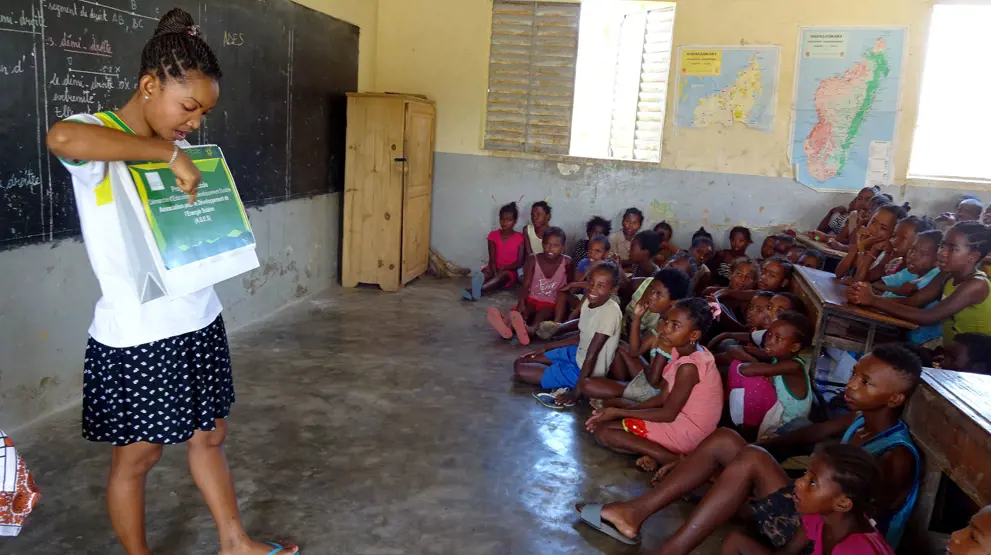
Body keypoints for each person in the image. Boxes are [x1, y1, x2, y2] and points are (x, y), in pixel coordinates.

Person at [45, 9, 298, 555]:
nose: (195, 122)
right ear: (148, 85)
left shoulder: (188, 150)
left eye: (204, 112)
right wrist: (167, 152)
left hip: (198, 317)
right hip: (137, 336)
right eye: (189, 107)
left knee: (210, 435)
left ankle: (235, 542)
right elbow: (62, 137)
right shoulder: (103, 140)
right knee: (138, 457)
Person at [575, 344, 922, 552]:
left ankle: (670, 547)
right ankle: (635, 512)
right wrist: (738, 458)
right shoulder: (859, 421)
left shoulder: (897, 456)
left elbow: (854, 520)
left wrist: (745, 470)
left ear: (894, 398)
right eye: (855, 374)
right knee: (730, 442)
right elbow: (798, 438)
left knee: (746, 463)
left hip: (824, 541)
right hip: (815, 515)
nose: (851, 385)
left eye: (864, 381)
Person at [584, 298, 724, 472]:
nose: (665, 328)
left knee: (603, 432)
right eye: (666, 321)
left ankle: (672, 459)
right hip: (680, 421)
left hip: (688, 433)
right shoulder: (683, 352)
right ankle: (655, 453)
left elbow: (668, 414)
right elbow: (663, 397)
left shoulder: (689, 367)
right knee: (614, 415)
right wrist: (628, 412)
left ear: (694, 335)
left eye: (675, 325)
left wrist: (619, 413)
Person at [721, 443, 895, 555]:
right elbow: (788, 552)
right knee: (735, 541)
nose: (799, 483)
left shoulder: (856, 549)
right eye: (805, 474)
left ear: (843, 503)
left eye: (812, 482)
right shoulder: (820, 517)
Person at [847, 221, 991, 344]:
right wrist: (866, 298)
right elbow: (914, 302)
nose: (943, 252)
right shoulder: (947, 275)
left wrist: (873, 300)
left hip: (975, 364)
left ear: (973, 256)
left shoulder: (976, 284)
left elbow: (928, 316)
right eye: (943, 245)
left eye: (952, 248)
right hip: (951, 351)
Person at [514, 261, 623, 407]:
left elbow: (592, 355)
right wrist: (548, 346)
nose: (592, 289)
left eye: (600, 285)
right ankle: (558, 374)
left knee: (521, 369)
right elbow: (582, 336)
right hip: (576, 354)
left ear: (613, 289)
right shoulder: (589, 301)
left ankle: (567, 382)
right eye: (591, 282)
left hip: (585, 370)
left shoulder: (610, 312)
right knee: (522, 361)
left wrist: (576, 393)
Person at [723, 312, 814, 439]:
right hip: (773, 414)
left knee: (752, 379)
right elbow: (734, 348)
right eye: (769, 334)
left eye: (778, 338)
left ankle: (745, 433)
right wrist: (757, 364)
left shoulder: (794, 366)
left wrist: (757, 367)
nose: (769, 341)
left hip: (784, 428)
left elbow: (745, 370)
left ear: (794, 347)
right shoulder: (778, 355)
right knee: (732, 358)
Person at [487, 227, 573, 345]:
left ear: (563, 247)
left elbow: (569, 284)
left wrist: (564, 308)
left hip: (551, 302)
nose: (550, 248)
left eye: (555, 245)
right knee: (523, 312)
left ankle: (530, 330)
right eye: (547, 244)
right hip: (532, 298)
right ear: (542, 243)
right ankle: (508, 328)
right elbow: (526, 284)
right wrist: (521, 303)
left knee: (541, 315)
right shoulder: (533, 259)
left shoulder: (567, 262)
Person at [861, 230, 943, 346]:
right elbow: (874, 283)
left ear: (937, 260)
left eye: (923, 254)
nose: (913, 256)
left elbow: (910, 303)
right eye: (913, 249)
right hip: (896, 328)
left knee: (842, 327)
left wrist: (871, 300)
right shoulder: (912, 272)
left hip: (914, 339)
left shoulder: (936, 274)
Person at [464, 202, 525, 300]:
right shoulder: (493, 235)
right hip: (493, 266)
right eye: (502, 219)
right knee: (486, 273)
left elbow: (519, 262)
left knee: (502, 276)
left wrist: (505, 267)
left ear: (515, 221)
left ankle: (477, 290)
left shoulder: (520, 238)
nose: (504, 222)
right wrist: (493, 271)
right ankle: (479, 284)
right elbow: (492, 258)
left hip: (509, 270)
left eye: (508, 220)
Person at [834, 204, 907, 279]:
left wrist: (864, 247)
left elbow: (859, 280)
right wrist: (858, 245)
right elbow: (839, 273)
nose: (873, 228)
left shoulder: (888, 255)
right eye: (873, 222)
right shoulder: (868, 244)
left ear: (894, 234)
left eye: (883, 228)